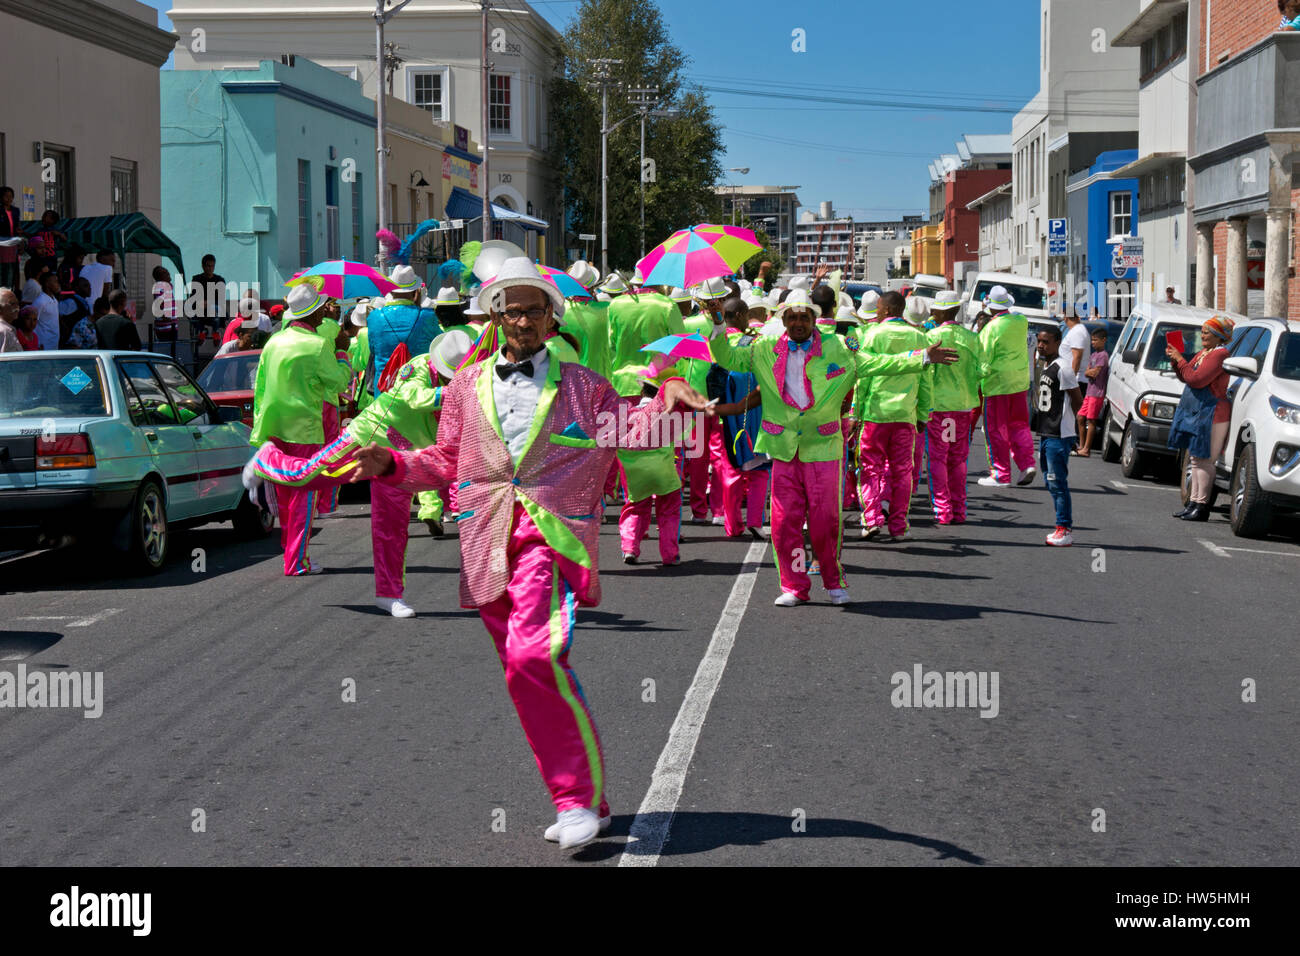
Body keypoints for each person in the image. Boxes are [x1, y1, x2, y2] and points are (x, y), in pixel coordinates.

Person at [348, 257, 712, 848]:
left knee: (533, 657)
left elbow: (632, 432)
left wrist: (668, 395)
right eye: (510, 309)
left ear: (551, 320)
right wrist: (391, 464)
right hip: (484, 538)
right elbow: (445, 461)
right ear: (495, 317)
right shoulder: (465, 385)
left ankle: (575, 803)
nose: (521, 320)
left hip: (553, 534)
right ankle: (581, 799)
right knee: (523, 675)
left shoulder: (585, 386)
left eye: (533, 310)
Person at [709, 287, 958, 606]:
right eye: (792, 317)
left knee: (825, 521)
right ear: (783, 319)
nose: (798, 323)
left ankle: (833, 581)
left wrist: (922, 356)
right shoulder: (765, 346)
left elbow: (877, 363)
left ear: (813, 319)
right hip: (784, 448)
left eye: (803, 317)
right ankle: (794, 586)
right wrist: (717, 323)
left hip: (824, 447)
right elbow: (727, 356)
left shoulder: (838, 347)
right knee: (785, 523)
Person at [246, 328, 474, 615]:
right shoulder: (419, 366)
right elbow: (415, 397)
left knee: (392, 528)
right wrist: (456, 391)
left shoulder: (465, 385)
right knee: (307, 476)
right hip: (367, 437)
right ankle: (266, 460)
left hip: (401, 460)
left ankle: (389, 594)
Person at [249, 283, 352, 576]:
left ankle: (292, 555)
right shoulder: (318, 345)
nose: (325, 311)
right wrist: (343, 356)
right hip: (305, 430)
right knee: (303, 497)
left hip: (275, 428)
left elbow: (260, 388)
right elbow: (339, 383)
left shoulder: (274, 342)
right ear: (314, 312)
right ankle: (296, 561)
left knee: (285, 499)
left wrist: (260, 427)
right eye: (322, 307)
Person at [856, 291, 932, 542]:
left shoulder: (873, 334)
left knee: (869, 469)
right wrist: (922, 414)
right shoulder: (919, 337)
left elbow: (863, 376)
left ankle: (871, 519)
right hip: (905, 415)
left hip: (876, 415)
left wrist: (856, 413)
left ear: (887, 310)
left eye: (878, 308)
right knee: (902, 472)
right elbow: (925, 382)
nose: (876, 312)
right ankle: (898, 526)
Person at [1168, 315, 1236, 522]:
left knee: (1206, 460)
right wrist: (1176, 361)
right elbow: (1187, 375)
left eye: (1207, 332)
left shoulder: (1219, 354)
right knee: (1197, 459)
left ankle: (1202, 505)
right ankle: (1193, 502)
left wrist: (1181, 360)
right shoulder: (1206, 352)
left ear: (1218, 336)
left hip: (1213, 412)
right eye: (1203, 331)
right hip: (1201, 411)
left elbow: (1197, 379)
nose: (1203, 335)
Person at [925, 292, 982, 525]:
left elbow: (925, 375)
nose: (932, 313)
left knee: (938, 459)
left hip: (938, 407)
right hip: (963, 406)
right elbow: (981, 371)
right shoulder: (972, 338)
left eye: (935, 310)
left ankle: (943, 509)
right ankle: (959, 508)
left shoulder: (931, 337)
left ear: (943, 312)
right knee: (958, 459)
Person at [977, 286, 1037, 487]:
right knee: (1019, 426)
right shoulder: (1021, 321)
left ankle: (1000, 474)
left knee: (996, 430)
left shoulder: (990, 329)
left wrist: (975, 378)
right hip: (1019, 383)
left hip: (997, 385)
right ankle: (1027, 463)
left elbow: (983, 361)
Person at [1032, 326, 1083, 547]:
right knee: (1049, 480)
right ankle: (1060, 525)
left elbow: (1077, 399)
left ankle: (1064, 528)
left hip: (1059, 433)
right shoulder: (1046, 365)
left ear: (1058, 342)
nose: (1041, 345)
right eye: (1039, 341)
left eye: (1046, 341)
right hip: (1046, 431)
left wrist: (1072, 430)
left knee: (1058, 481)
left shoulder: (1063, 368)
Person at [366, 265, 440, 398]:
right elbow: (438, 347)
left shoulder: (374, 317)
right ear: (416, 292)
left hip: (385, 391)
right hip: (418, 392)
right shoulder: (427, 316)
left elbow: (373, 350)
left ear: (391, 291)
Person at [1074, 327, 1110, 457]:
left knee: (1091, 420)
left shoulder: (1103, 356)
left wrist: (1090, 372)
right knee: (1080, 417)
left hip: (1097, 393)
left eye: (1095, 340)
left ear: (1103, 340)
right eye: (1092, 340)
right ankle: (1082, 446)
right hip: (1089, 392)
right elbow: (1087, 371)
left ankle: (1086, 449)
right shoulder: (1093, 355)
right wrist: (1089, 372)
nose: (1093, 343)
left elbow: (1094, 373)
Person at [189, 254, 227, 339]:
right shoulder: (197, 279)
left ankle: (216, 331)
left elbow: (221, 299)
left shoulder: (219, 280)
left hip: (214, 308)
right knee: (189, 309)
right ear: (203, 266)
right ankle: (202, 330)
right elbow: (194, 297)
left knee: (215, 308)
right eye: (208, 266)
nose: (210, 268)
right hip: (200, 307)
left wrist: (208, 303)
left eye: (212, 266)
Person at [59, 277, 98, 349]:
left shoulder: (85, 302)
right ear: (77, 288)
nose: (89, 288)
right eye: (85, 286)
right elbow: (58, 315)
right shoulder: (71, 302)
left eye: (90, 286)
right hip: (73, 343)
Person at [27, 210, 65, 274]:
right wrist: (23, 233)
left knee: (51, 273)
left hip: (51, 257)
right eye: (43, 216)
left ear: (53, 220)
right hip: (41, 257)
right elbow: (32, 237)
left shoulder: (55, 229)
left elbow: (64, 239)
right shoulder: (40, 230)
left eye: (45, 216)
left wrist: (59, 234)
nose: (43, 217)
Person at [31, 271, 61, 351]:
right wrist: (37, 343)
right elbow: (32, 323)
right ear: (47, 284)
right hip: (44, 344)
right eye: (55, 282)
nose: (58, 284)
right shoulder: (40, 301)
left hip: (54, 342)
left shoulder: (54, 300)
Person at [151, 266, 179, 346]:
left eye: (167, 271)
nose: (168, 273)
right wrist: (164, 316)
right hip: (165, 327)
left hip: (172, 325)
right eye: (164, 272)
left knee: (173, 349)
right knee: (167, 348)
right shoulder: (160, 287)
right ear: (159, 277)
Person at [0, 188, 20, 290]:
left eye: (11, 196)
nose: (9, 199)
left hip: (13, 243)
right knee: (5, 268)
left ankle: (11, 289)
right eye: (6, 196)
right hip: (3, 243)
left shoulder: (15, 210)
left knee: (13, 268)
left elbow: (17, 226)